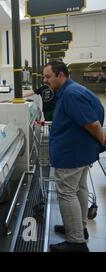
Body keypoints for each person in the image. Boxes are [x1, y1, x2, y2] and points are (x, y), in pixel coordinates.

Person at [44, 61, 105, 252]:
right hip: (80, 152)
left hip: (72, 154)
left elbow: (93, 124)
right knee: (80, 188)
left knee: (67, 193)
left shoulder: (70, 95)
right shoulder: (75, 90)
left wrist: (101, 139)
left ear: (61, 75)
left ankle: (76, 242)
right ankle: (79, 228)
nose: (45, 81)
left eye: (48, 76)